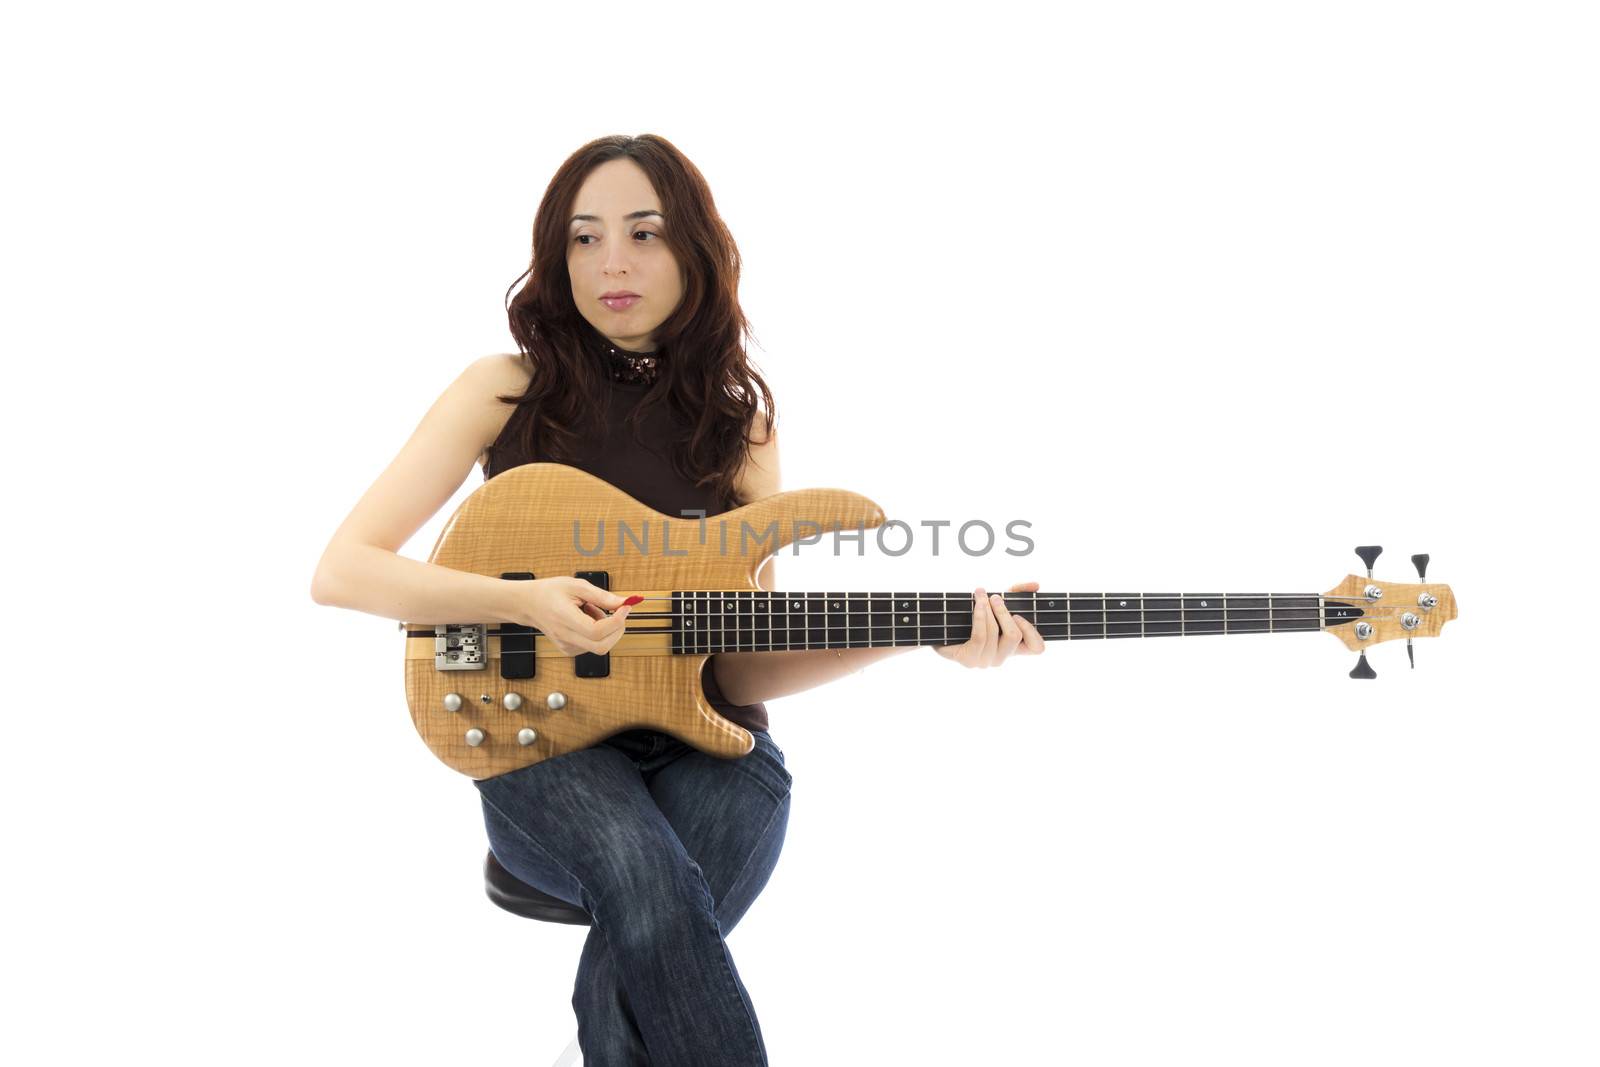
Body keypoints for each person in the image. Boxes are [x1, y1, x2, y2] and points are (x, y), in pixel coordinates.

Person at [310, 133, 1045, 1067]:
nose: (611, 261)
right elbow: (344, 569)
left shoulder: (742, 422)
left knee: (644, 936)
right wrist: (524, 605)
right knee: (648, 873)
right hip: (537, 736)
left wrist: (921, 634)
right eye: (583, 238)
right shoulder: (504, 390)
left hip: (716, 741)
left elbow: (741, 653)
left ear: (695, 248)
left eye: (644, 232)